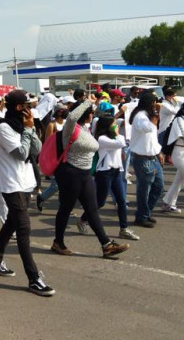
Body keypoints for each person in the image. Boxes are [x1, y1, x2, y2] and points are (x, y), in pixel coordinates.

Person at [0, 90, 55, 297]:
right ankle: (34, 278)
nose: (30, 109)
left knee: (13, 224)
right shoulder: (3, 128)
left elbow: (37, 149)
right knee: (23, 229)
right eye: (27, 105)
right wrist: (27, 130)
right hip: (11, 184)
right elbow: (22, 153)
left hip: (26, 182)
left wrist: (31, 129)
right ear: (17, 107)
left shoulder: (23, 126)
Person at [54, 98, 130, 257]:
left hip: (85, 174)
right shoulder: (71, 127)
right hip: (71, 173)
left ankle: (106, 245)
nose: (93, 115)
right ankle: (58, 243)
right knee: (65, 209)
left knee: (92, 209)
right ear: (85, 114)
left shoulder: (85, 128)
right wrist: (86, 102)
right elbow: (72, 116)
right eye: (91, 113)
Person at [93, 115, 140, 241]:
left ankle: (123, 229)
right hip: (104, 172)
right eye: (113, 124)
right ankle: (83, 219)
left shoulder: (114, 137)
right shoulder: (101, 138)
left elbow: (120, 146)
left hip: (116, 171)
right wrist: (118, 133)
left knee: (121, 201)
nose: (116, 126)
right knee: (100, 202)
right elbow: (121, 143)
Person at [130, 92, 164, 228]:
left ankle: (145, 213)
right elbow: (149, 128)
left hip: (152, 157)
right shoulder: (140, 117)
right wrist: (156, 116)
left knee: (158, 187)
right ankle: (142, 216)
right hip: (142, 159)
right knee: (144, 189)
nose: (156, 105)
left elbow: (152, 138)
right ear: (150, 103)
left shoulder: (147, 116)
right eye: (154, 102)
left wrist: (158, 152)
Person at [36, 108, 68, 211]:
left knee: (64, 184)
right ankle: (41, 197)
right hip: (55, 157)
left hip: (65, 156)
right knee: (56, 185)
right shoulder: (52, 125)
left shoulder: (67, 123)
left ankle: (63, 207)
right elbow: (48, 142)